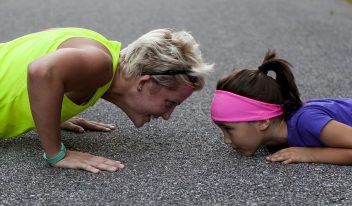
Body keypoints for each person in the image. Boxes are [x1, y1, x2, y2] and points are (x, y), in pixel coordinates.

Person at [1, 27, 213, 172]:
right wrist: (57, 154)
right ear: (144, 83)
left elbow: (33, 52)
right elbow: (41, 70)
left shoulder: (99, 53)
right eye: (170, 103)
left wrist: (51, 112)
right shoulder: (100, 64)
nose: (167, 116)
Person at [210, 49, 352, 165]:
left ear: (263, 121)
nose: (226, 140)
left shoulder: (308, 121)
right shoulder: (273, 136)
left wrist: (311, 155)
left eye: (229, 129)